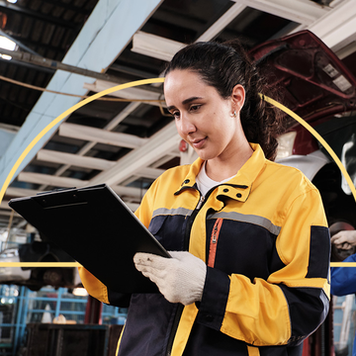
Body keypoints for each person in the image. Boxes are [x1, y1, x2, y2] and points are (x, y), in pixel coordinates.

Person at [79, 40, 331, 356]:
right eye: (175, 112)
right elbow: (122, 290)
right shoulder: (165, 186)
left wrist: (207, 288)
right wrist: (88, 249)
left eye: (194, 106)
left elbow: (303, 311)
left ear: (235, 99)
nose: (185, 127)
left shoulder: (293, 192)